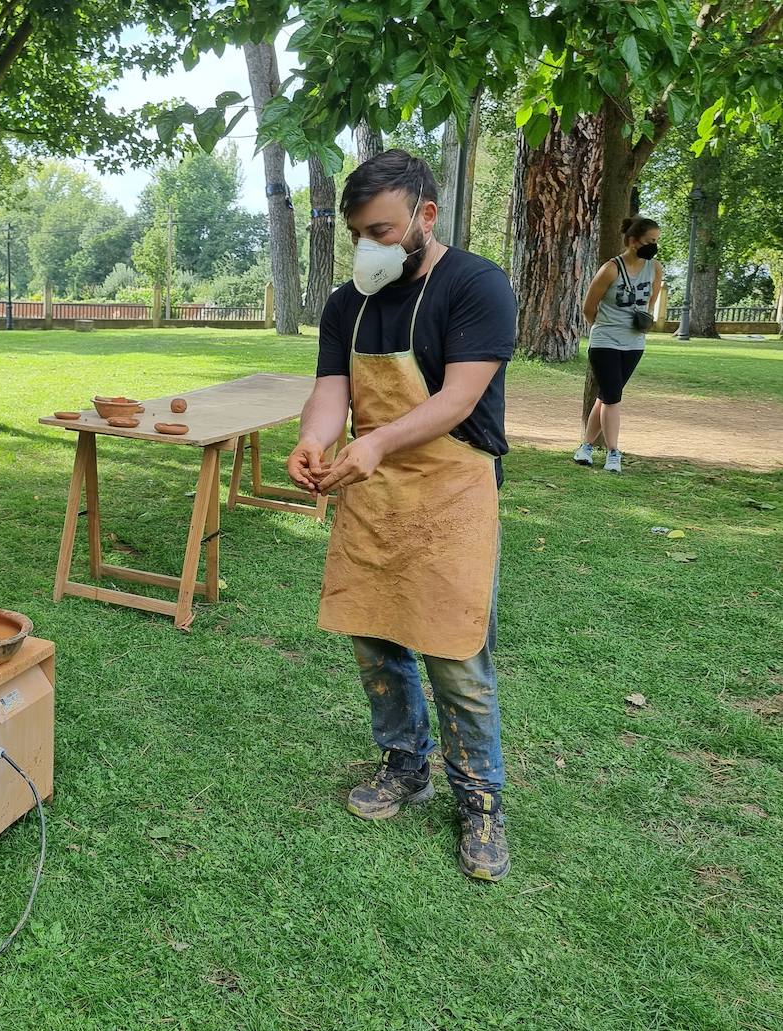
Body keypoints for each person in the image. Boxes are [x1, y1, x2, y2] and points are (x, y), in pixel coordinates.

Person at [286, 149, 517, 881]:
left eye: (382, 230)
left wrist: (378, 441)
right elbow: (333, 388)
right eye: (358, 232)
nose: (368, 246)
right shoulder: (345, 302)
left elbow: (458, 398)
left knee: (455, 655)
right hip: (373, 490)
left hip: (451, 488)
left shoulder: (477, 285)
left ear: (425, 215)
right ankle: (402, 763)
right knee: (374, 638)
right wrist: (315, 439)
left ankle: (481, 800)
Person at [573, 217, 663, 474]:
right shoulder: (611, 269)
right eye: (650, 241)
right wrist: (604, 328)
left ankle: (586, 447)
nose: (654, 246)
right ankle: (613, 453)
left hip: (634, 343)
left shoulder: (654, 268)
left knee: (606, 396)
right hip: (605, 342)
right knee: (613, 397)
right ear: (633, 241)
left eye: (656, 241)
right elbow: (589, 307)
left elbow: (650, 303)